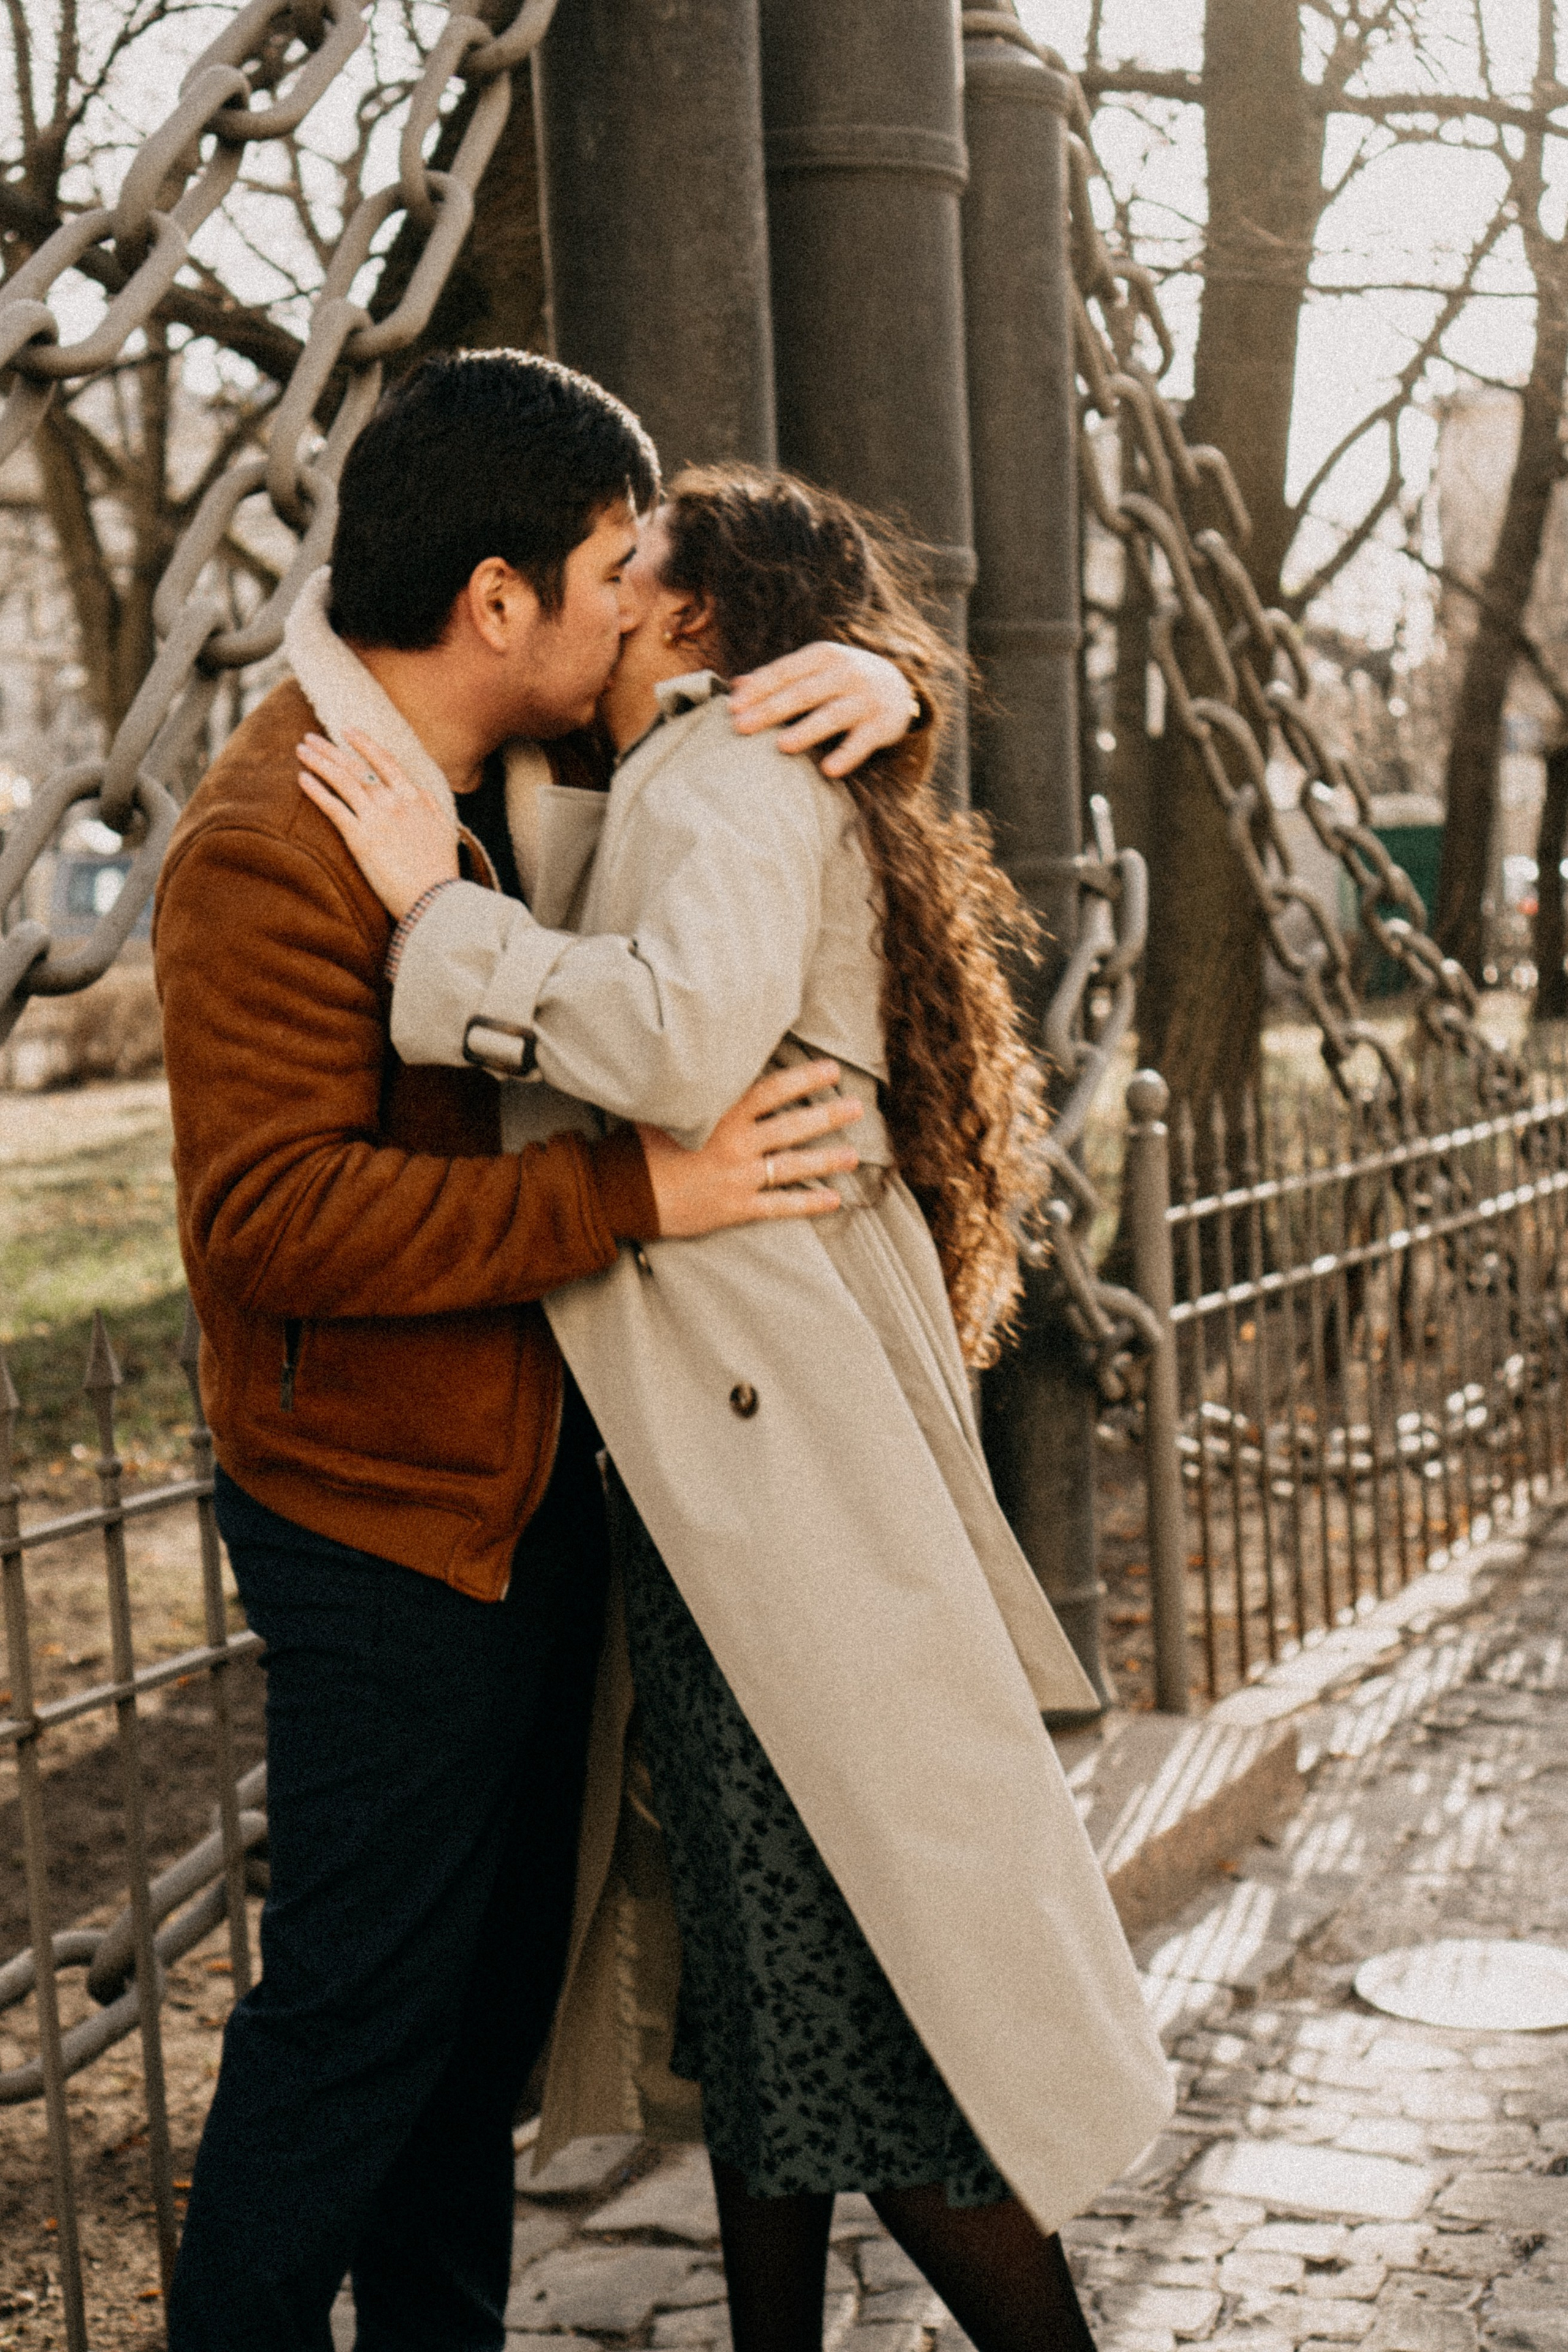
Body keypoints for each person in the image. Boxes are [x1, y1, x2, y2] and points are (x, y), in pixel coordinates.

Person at [297, 465, 1175, 2352]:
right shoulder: (687, 778)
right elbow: (587, 876)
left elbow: (678, 1036)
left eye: (635, 571)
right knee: (770, 2003)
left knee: (862, 2007)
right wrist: (886, 680)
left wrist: (429, 924)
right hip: (731, 1480)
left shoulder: (733, 779)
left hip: (777, 1489)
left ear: (693, 623)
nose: (603, 596)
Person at [154, 356, 923, 2352]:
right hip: (386, 1530)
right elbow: (271, 1223)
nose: (638, 602)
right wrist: (629, 1205)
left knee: (461, 2059)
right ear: (497, 600)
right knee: (349, 2044)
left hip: (525, 1507)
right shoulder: (274, 836)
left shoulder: (510, 793)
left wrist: (889, 683)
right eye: (609, 564)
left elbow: (718, 867)